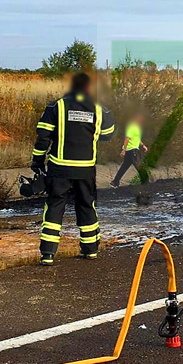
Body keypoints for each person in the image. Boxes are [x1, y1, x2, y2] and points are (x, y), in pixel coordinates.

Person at [31, 73, 116, 265]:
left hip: (59, 169)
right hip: (85, 169)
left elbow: (43, 137)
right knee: (86, 205)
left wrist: (37, 161)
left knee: (54, 206)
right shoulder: (99, 109)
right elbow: (108, 134)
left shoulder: (56, 106)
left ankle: (47, 254)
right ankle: (91, 250)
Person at [110, 110, 148, 187]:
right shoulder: (132, 127)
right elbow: (127, 138)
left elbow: (136, 139)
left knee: (124, 166)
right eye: (139, 118)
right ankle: (146, 182)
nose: (141, 120)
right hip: (131, 150)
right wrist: (124, 150)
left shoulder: (137, 128)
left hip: (132, 150)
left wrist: (143, 145)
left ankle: (115, 182)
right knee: (139, 165)